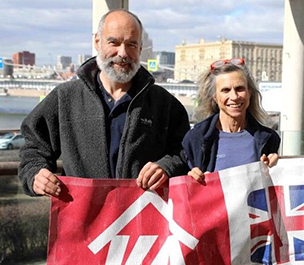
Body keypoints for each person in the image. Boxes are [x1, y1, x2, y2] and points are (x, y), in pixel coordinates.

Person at [18, 10, 190, 197]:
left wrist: (167, 167)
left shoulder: (164, 103)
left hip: (143, 218)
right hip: (82, 217)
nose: (123, 53)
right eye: (114, 42)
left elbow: (185, 152)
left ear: (140, 48)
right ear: (97, 42)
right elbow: (34, 147)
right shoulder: (65, 98)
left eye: (131, 44)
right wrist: (35, 175)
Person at [181, 58, 280, 183]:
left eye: (239, 89)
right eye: (225, 90)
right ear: (215, 97)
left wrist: (277, 167)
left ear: (250, 93)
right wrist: (190, 178)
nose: (234, 97)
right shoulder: (196, 138)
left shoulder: (268, 139)